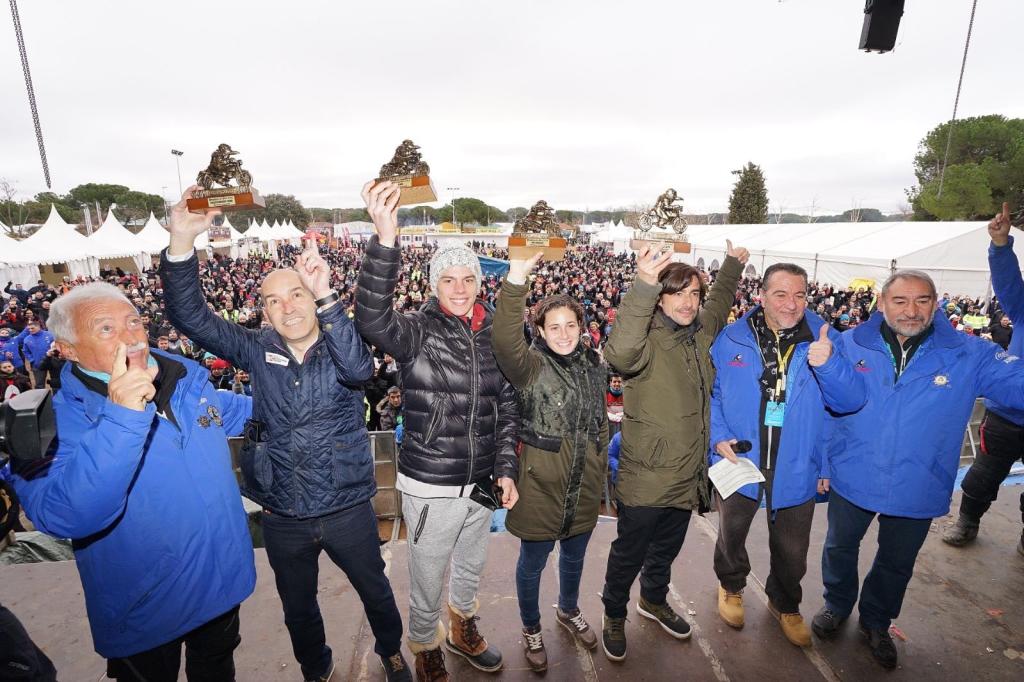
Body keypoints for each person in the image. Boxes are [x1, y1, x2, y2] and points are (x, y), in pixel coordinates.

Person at [161, 189, 410, 682]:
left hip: (345, 506)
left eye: (296, 294)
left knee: (375, 591)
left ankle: (392, 652)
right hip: (283, 512)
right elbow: (191, 317)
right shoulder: (254, 349)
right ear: (264, 313)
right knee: (298, 609)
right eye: (273, 301)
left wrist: (327, 298)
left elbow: (361, 370)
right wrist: (181, 243)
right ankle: (315, 668)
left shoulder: (343, 340)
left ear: (313, 298)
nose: (287, 308)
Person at [11, 282, 256, 681]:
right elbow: (62, 515)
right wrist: (123, 417)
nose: (132, 336)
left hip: (222, 586)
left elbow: (248, 414)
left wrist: (313, 399)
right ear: (67, 349)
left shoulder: (186, 384)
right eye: (106, 329)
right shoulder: (46, 426)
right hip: (144, 610)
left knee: (216, 669)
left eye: (134, 321)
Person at [814, 267, 1024, 670]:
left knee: (896, 562)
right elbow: (826, 410)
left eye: (922, 300)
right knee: (839, 547)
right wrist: (823, 462)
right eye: (900, 300)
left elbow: (1015, 381)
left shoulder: (970, 353)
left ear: (935, 304)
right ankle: (836, 605)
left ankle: (876, 621)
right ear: (882, 303)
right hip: (851, 473)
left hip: (919, 481)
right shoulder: (847, 343)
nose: (911, 310)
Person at [356, 180, 519, 681]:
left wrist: (507, 466)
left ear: (478, 281)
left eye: (466, 277)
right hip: (430, 483)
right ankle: (424, 641)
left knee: (470, 564)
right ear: (433, 285)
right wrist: (386, 239)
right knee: (427, 573)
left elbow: (509, 401)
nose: (459, 287)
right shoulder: (414, 331)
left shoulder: (497, 333)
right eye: (447, 279)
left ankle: (462, 626)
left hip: (484, 480)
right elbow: (370, 318)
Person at [599, 241, 748, 661]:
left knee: (666, 550)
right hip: (646, 475)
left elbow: (718, 305)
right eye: (677, 293)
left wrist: (733, 266)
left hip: (687, 475)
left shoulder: (701, 333)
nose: (687, 302)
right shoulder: (644, 341)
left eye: (693, 294)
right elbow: (620, 350)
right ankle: (613, 612)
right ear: (660, 298)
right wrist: (644, 283)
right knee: (628, 553)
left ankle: (653, 598)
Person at [708, 263, 865, 647]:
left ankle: (785, 602)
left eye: (799, 294)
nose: (791, 304)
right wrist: (720, 436)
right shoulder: (730, 338)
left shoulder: (827, 339)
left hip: (797, 462)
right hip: (739, 460)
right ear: (761, 295)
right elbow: (713, 396)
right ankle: (730, 586)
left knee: (793, 547)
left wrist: (827, 363)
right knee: (731, 533)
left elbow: (848, 403)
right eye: (781, 294)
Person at [491, 252, 609, 673]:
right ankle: (530, 627)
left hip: (584, 486)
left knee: (575, 559)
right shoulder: (530, 366)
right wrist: (517, 278)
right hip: (541, 485)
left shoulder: (595, 365)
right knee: (533, 564)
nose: (563, 334)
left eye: (571, 325)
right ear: (539, 330)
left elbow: (599, 424)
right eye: (553, 326)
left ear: (582, 328)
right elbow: (504, 340)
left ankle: (569, 608)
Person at [944, 203, 1024, 554]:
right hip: (1007, 413)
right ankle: (968, 521)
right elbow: (1008, 285)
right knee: (984, 474)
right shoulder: (1022, 308)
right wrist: (1001, 244)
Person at [16, 320, 54, 388]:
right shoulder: (27, 339)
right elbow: (25, 351)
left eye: (32, 328)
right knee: (39, 384)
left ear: (38, 327)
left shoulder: (50, 335)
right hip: (37, 364)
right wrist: (31, 360)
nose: (30, 330)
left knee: (55, 382)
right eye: (29, 329)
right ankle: (42, 398)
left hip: (53, 362)